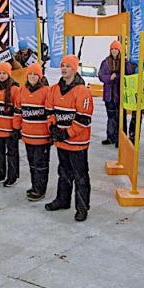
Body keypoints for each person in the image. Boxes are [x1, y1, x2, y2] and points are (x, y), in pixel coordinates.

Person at [44, 55, 94, 222]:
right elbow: (49, 110)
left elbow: (83, 119)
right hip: (61, 141)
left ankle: (82, 207)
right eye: (62, 65)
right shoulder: (54, 89)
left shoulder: (83, 91)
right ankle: (62, 200)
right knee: (63, 171)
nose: (64, 68)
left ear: (75, 69)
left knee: (80, 175)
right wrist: (52, 127)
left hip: (77, 142)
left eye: (68, 66)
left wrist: (67, 133)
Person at [17, 63, 51, 201]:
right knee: (32, 162)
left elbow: (50, 113)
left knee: (41, 163)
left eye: (35, 74)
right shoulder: (22, 91)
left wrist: (52, 132)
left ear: (40, 76)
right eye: (30, 74)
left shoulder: (46, 91)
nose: (32, 77)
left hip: (42, 136)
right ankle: (34, 185)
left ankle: (40, 189)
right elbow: (18, 111)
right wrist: (17, 128)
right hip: (28, 135)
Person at [0, 62, 21, 187]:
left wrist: (17, 128)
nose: (1, 76)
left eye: (4, 73)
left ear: (9, 74)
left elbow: (18, 109)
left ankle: (12, 176)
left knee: (12, 153)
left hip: (10, 128)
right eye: (0, 73)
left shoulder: (15, 89)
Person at [98, 41, 133, 146]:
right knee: (111, 117)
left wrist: (117, 76)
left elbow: (129, 75)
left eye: (116, 49)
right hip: (109, 95)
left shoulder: (125, 62)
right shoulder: (105, 62)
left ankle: (120, 138)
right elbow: (100, 75)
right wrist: (109, 78)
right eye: (112, 49)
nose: (114, 51)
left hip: (120, 94)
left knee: (121, 117)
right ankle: (110, 137)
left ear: (120, 51)